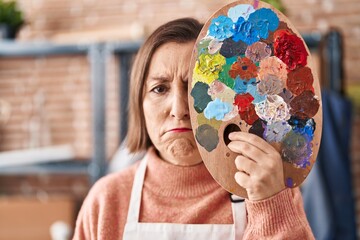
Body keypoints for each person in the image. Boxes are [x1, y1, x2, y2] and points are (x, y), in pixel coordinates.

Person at [73, 18, 315, 240]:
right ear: (139, 103)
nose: (179, 109)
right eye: (160, 89)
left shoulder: (267, 185)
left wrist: (270, 204)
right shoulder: (106, 201)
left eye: (193, 89)